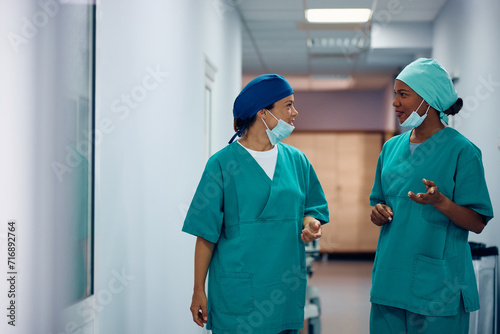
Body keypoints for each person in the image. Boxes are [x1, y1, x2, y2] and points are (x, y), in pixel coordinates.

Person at [182, 74, 329, 334]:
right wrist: (198, 290)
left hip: (284, 288)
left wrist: (311, 224)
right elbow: (205, 234)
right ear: (263, 112)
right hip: (240, 291)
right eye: (288, 105)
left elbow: (311, 209)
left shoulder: (297, 161)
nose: (295, 112)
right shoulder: (221, 165)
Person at [369, 58, 494, 333]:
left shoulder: (462, 151)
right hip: (390, 278)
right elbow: (378, 201)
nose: (395, 103)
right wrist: (378, 212)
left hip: (440, 285)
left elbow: (477, 222)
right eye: (395, 94)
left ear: (429, 99)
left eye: (403, 94)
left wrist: (441, 202)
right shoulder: (390, 149)